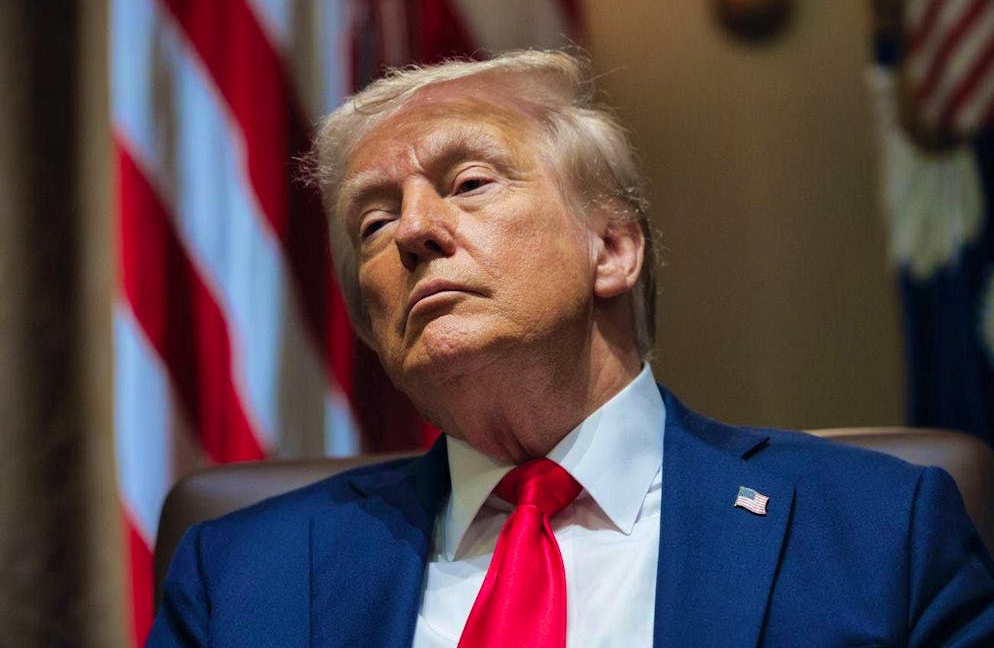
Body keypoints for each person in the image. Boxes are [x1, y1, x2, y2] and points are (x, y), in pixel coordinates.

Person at [149, 50, 994, 647]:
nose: (411, 231)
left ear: (613, 249)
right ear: (372, 328)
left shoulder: (881, 533)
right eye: (373, 221)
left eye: (468, 183)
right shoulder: (242, 577)